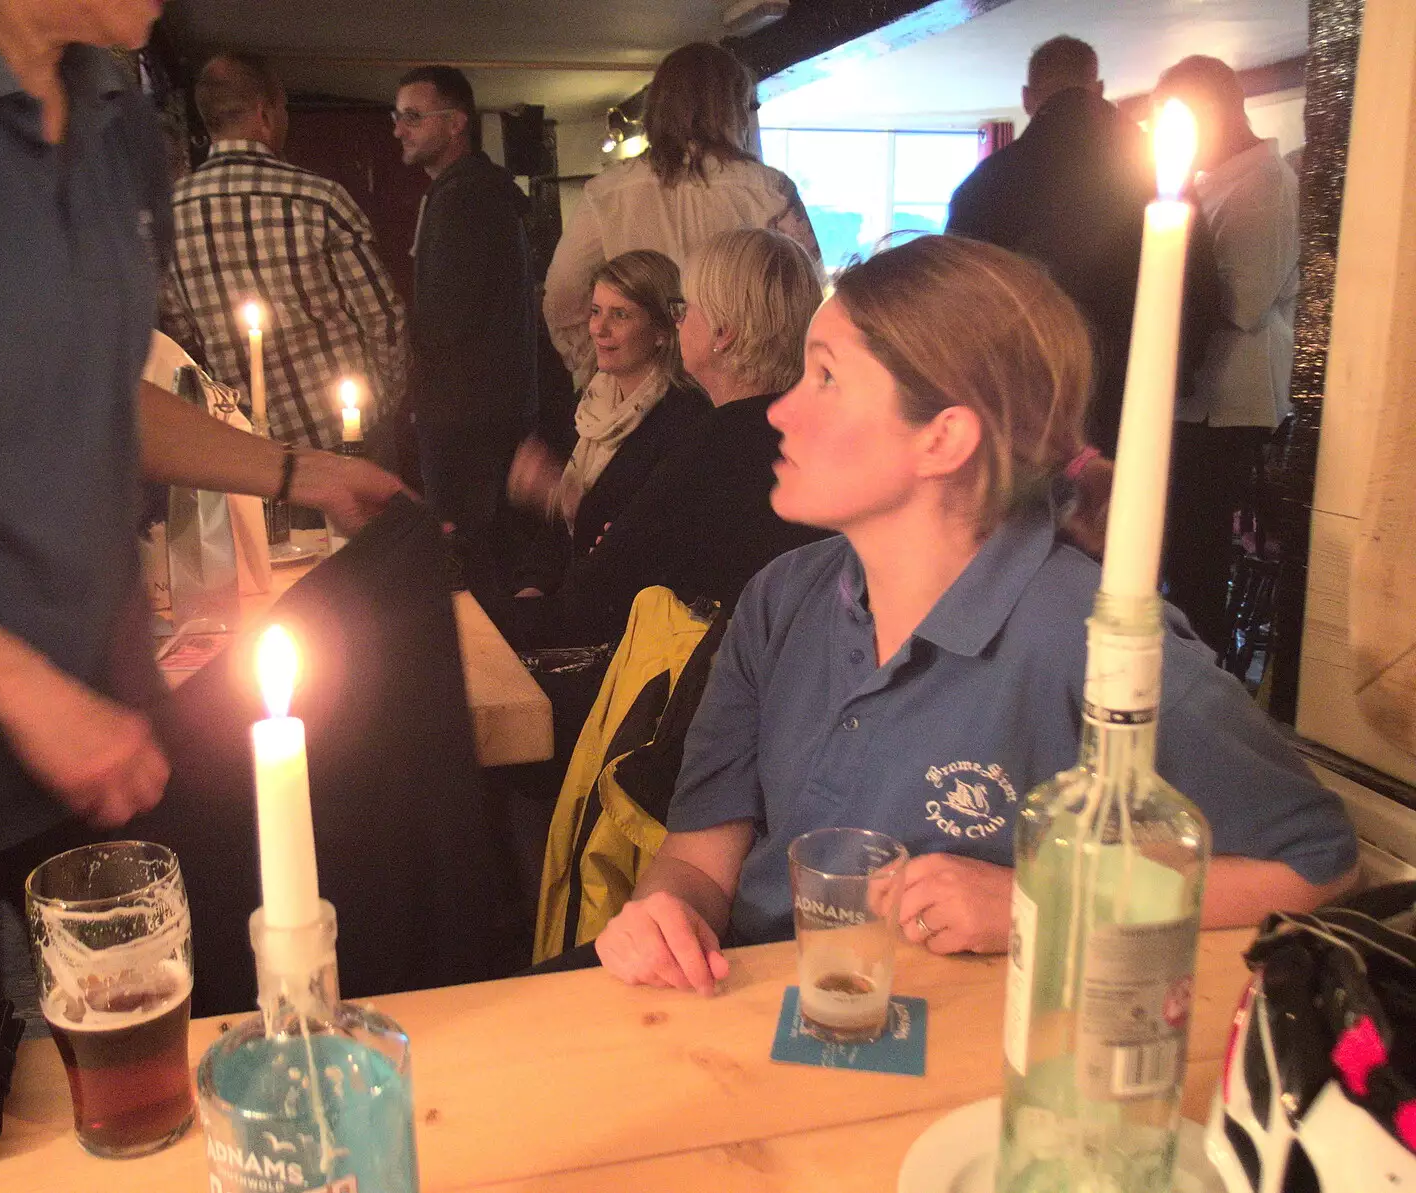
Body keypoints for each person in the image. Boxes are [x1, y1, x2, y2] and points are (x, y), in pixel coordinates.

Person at [0, 0, 406, 1062]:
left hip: (105, 730)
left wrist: (299, 471)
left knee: (184, 1080)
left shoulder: (113, 101)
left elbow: (98, 386)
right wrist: (15, 684)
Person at [594, 236, 1358, 994]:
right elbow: (699, 862)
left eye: (825, 377)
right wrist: (666, 915)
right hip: (754, 1008)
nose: (783, 409)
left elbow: (1318, 862)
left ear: (944, 436)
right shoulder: (778, 598)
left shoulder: (1086, 637)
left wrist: (1040, 899)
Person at [520, 228, 830, 648]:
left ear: (722, 334)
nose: (678, 320)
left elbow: (587, 607)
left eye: (685, 309)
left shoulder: (714, 445)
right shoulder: (819, 431)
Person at [946, 35, 1216, 457]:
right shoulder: (1158, 173)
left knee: (1035, 516)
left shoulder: (988, 184)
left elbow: (956, 308)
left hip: (1025, 400)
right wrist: (1178, 374)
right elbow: (1198, 285)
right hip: (1139, 391)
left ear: (1027, 98)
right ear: (1099, 89)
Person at [161, 53, 406, 453]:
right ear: (266, 113)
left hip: (246, 447)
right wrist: (379, 407)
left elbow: (182, 339)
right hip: (344, 437)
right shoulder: (319, 199)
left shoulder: (168, 215)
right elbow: (383, 318)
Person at [543, 42, 821, 389]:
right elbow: (807, 301)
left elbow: (562, 295)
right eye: (748, 105)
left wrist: (598, 370)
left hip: (642, 390)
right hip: (742, 385)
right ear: (730, 108)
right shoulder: (770, 190)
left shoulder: (607, 191)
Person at [1155, 55, 1301, 651]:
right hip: (1204, 397)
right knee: (1183, 544)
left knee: (1196, 551)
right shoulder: (1226, 181)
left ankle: (1201, 667)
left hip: (1230, 402)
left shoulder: (1263, 185)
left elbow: (1241, 303)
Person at [394, 64, 538, 599]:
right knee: (482, 558)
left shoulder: (466, 197)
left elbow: (450, 320)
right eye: (397, 116)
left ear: (455, 122)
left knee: (474, 565)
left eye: (412, 117)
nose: (399, 129)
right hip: (481, 414)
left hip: (469, 423)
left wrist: (413, 387)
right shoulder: (470, 189)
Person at [508, 250, 708, 599]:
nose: (599, 329)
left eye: (620, 315)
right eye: (596, 312)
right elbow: (553, 538)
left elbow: (636, 543)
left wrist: (562, 496)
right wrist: (532, 586)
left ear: (661, 331)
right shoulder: (589, 405)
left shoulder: (684, 420)